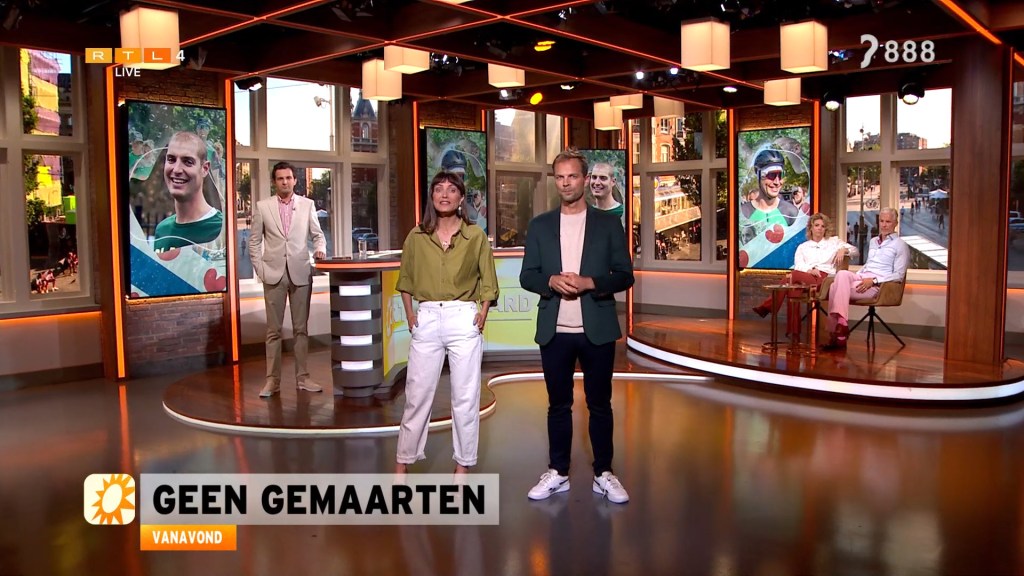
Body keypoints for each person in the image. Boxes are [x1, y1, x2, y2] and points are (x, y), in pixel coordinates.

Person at [520, 148, 635, 504]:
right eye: (560, 177)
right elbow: (527, 275)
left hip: (596, 329)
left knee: (600, 404)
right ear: (554, 181)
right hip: (555, 331)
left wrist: (590, 283)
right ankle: (558, 472)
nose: (566, 183)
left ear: (585, 180)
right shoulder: (540, 225)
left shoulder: (608, 224)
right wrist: (550, 281)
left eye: (572, 176)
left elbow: (625, 275)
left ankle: (604, 473)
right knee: (558, 404)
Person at [394, 171, 498, 477]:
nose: (444, 194)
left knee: (465, 397)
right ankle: (402, 463)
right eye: (438, 189)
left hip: (463, 317)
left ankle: (462, 466)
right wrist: (410, 315)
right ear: (432, 196)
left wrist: (483, 312)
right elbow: (405, 279)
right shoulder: (416, 236)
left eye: (451, 190)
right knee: (417, 395)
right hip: (426, 319)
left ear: (461, 198)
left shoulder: (475, 236)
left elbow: (488, 280)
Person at [249, 161, 327, 398]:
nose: (285, 182)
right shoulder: (263, 207)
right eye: (280, 178)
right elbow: (254, 242)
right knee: (273, 331)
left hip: (300, 272)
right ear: (275, 182)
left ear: (295, 180)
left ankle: (303, 378)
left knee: (301, 329)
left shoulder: (307, 205)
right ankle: (272, 381)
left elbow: (318, 235)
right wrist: (261, 270)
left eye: (289, 178)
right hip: (273, 274)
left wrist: (320, 249)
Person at [752, 213, 857, 338]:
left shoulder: (834, 242)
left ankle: (769, 306)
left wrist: (844, 250)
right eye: (817, 225)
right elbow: (798, 265)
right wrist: (809, 270)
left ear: (825, 229)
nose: (820, 228)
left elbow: (855, 251)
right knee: (793, 289)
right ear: (811, 228)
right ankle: (794, 332)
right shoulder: (803, 247)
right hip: (807, 278)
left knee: (792, 277)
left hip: (825, 279)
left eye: (823, 226)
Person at [822, 207, 909, 351]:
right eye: (882, 221)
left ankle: (837, 335)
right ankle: (842, 325)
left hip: (876, 285)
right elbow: (869, 264)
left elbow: (899, 275)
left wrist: (873, 280)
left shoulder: (900, 245)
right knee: (842, 274)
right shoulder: (874, 241)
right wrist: (857, 276)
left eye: (888, 222)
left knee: (833, 288)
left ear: (895, 223)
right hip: (862, 276)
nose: (884, 225)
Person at [153, 132, 224, 253]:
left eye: (188, 162)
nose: (176, 169)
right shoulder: (162, 230)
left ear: (205, 169)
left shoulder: (221, 228)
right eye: (171, 160)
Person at [587, 162, 625, 228]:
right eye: (594, 177)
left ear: (613, 181)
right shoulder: (587, 213)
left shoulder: (622, 212)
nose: (597, 182)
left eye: (603, 178)